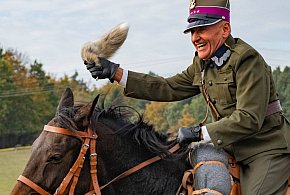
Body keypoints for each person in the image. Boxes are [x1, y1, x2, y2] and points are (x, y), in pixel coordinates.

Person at [84, 0, 290, 194]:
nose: (195, 38)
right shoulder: (202, 63)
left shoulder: (247, 60)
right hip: (229, 147)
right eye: (192, 31)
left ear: (225, 29)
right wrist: (115, 73)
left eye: (202, 29)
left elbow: (249, 118)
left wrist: (198, 133)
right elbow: (167, 87)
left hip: (265, 149)